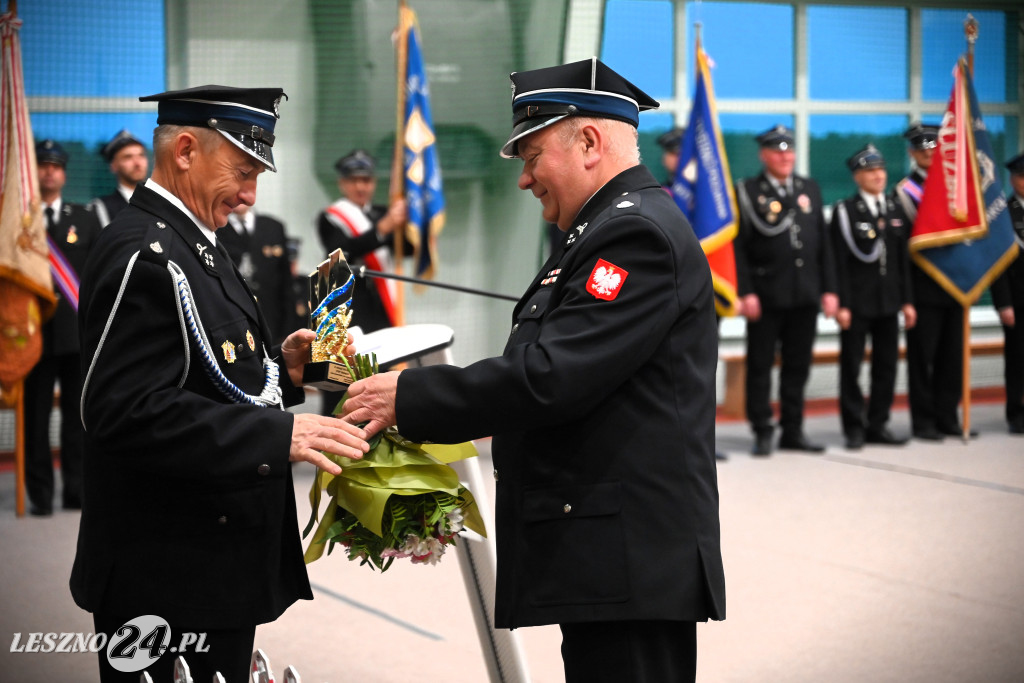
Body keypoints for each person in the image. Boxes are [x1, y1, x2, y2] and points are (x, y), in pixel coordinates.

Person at [340, 58, 725, 683]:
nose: (524, 179)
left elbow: (553, 376)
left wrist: (410, 396)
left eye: (532, 156)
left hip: (631, 557)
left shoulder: (633, 234)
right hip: (609, 554)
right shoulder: (601, 229)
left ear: (590, 142)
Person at [70, 86, 369, 683]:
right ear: (185, 151)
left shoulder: (194, 240)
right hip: (166, 571)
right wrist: (276, 435)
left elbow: (201, 370)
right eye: (243, 172)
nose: (250, 194)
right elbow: (123, 411)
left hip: (211, 561)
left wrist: (284, 369)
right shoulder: (145, 252)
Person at [734, 125, 839, 455]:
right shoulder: (749, 191)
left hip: (805, 293)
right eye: (778, 152)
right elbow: (739, 247)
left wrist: (830, 290)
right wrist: (746, 291)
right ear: (764, 155)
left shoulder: (809, 188)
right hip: (766, 295)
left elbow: (823, 243)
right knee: (760, 365)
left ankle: (793, 429)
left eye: (789, 151)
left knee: (798, 366)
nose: (785, 157)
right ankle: (762, 429)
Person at [22, 140, 101, 516]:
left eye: (55, 166)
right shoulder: (18, 221)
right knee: (35, 419)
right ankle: (39, 495)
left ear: (64, 174)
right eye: (42, 165)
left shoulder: (84, 218)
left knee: (77, 417)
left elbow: (98, 274)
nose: (49, 172)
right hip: (32, 333)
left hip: (76, 336)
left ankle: (76, 491)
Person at [830, 144, 915, 450]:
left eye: (881, 169)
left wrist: (907, 301)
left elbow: (902, 260)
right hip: (857, 304)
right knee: (852, 368)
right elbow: (838, 261)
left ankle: (878, 424)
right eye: (870, 171)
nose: (878, 176)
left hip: (888, 302)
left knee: (886, 366)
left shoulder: (894, 208)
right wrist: (842, 303)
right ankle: (854, 427)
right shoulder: (846, 211)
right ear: (857, 176)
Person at [892, 123, 972, 440]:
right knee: (922, 359)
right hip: (923, 287)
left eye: (933, 148)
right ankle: (924, 421)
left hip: (957, 285)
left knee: (952, 357)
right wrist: (906, 296)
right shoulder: (904, 192)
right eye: (921, 149)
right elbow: (903, 248)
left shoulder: (957, 189)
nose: (928, 153)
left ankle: (948, 417)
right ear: (912, 154)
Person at [316, 149, 406, 415]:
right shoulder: (330, 217)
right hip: (344, 309)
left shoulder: (384, 212)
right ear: (342, 183)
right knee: (340, 380)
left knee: (380, 374)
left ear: (374, 182)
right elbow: (341, 252)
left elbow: (407, 249)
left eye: (365, 180)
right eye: (353, 180)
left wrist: (414, 222)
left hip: (380, 309)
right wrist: (382, 229)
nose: (360, 187)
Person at [219, 204, 293, 343]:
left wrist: (288, 329)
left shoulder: (273, 227)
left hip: (271, 320)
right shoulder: (216, 229)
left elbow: (286, 281)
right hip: (233, 320)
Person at [990, 152, 1024, 434]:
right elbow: (997, 265)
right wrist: (1003, 304)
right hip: (1017, 300)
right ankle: (1017, 413)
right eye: (1021, 177)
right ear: (1012, 179)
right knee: (1017, 360)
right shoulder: (1002, 214)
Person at [90, 129, 149, 227]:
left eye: (141, 155)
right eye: (128, 157)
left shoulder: (160, 201)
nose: (137, 163)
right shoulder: (101, 208)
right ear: (113, 166)